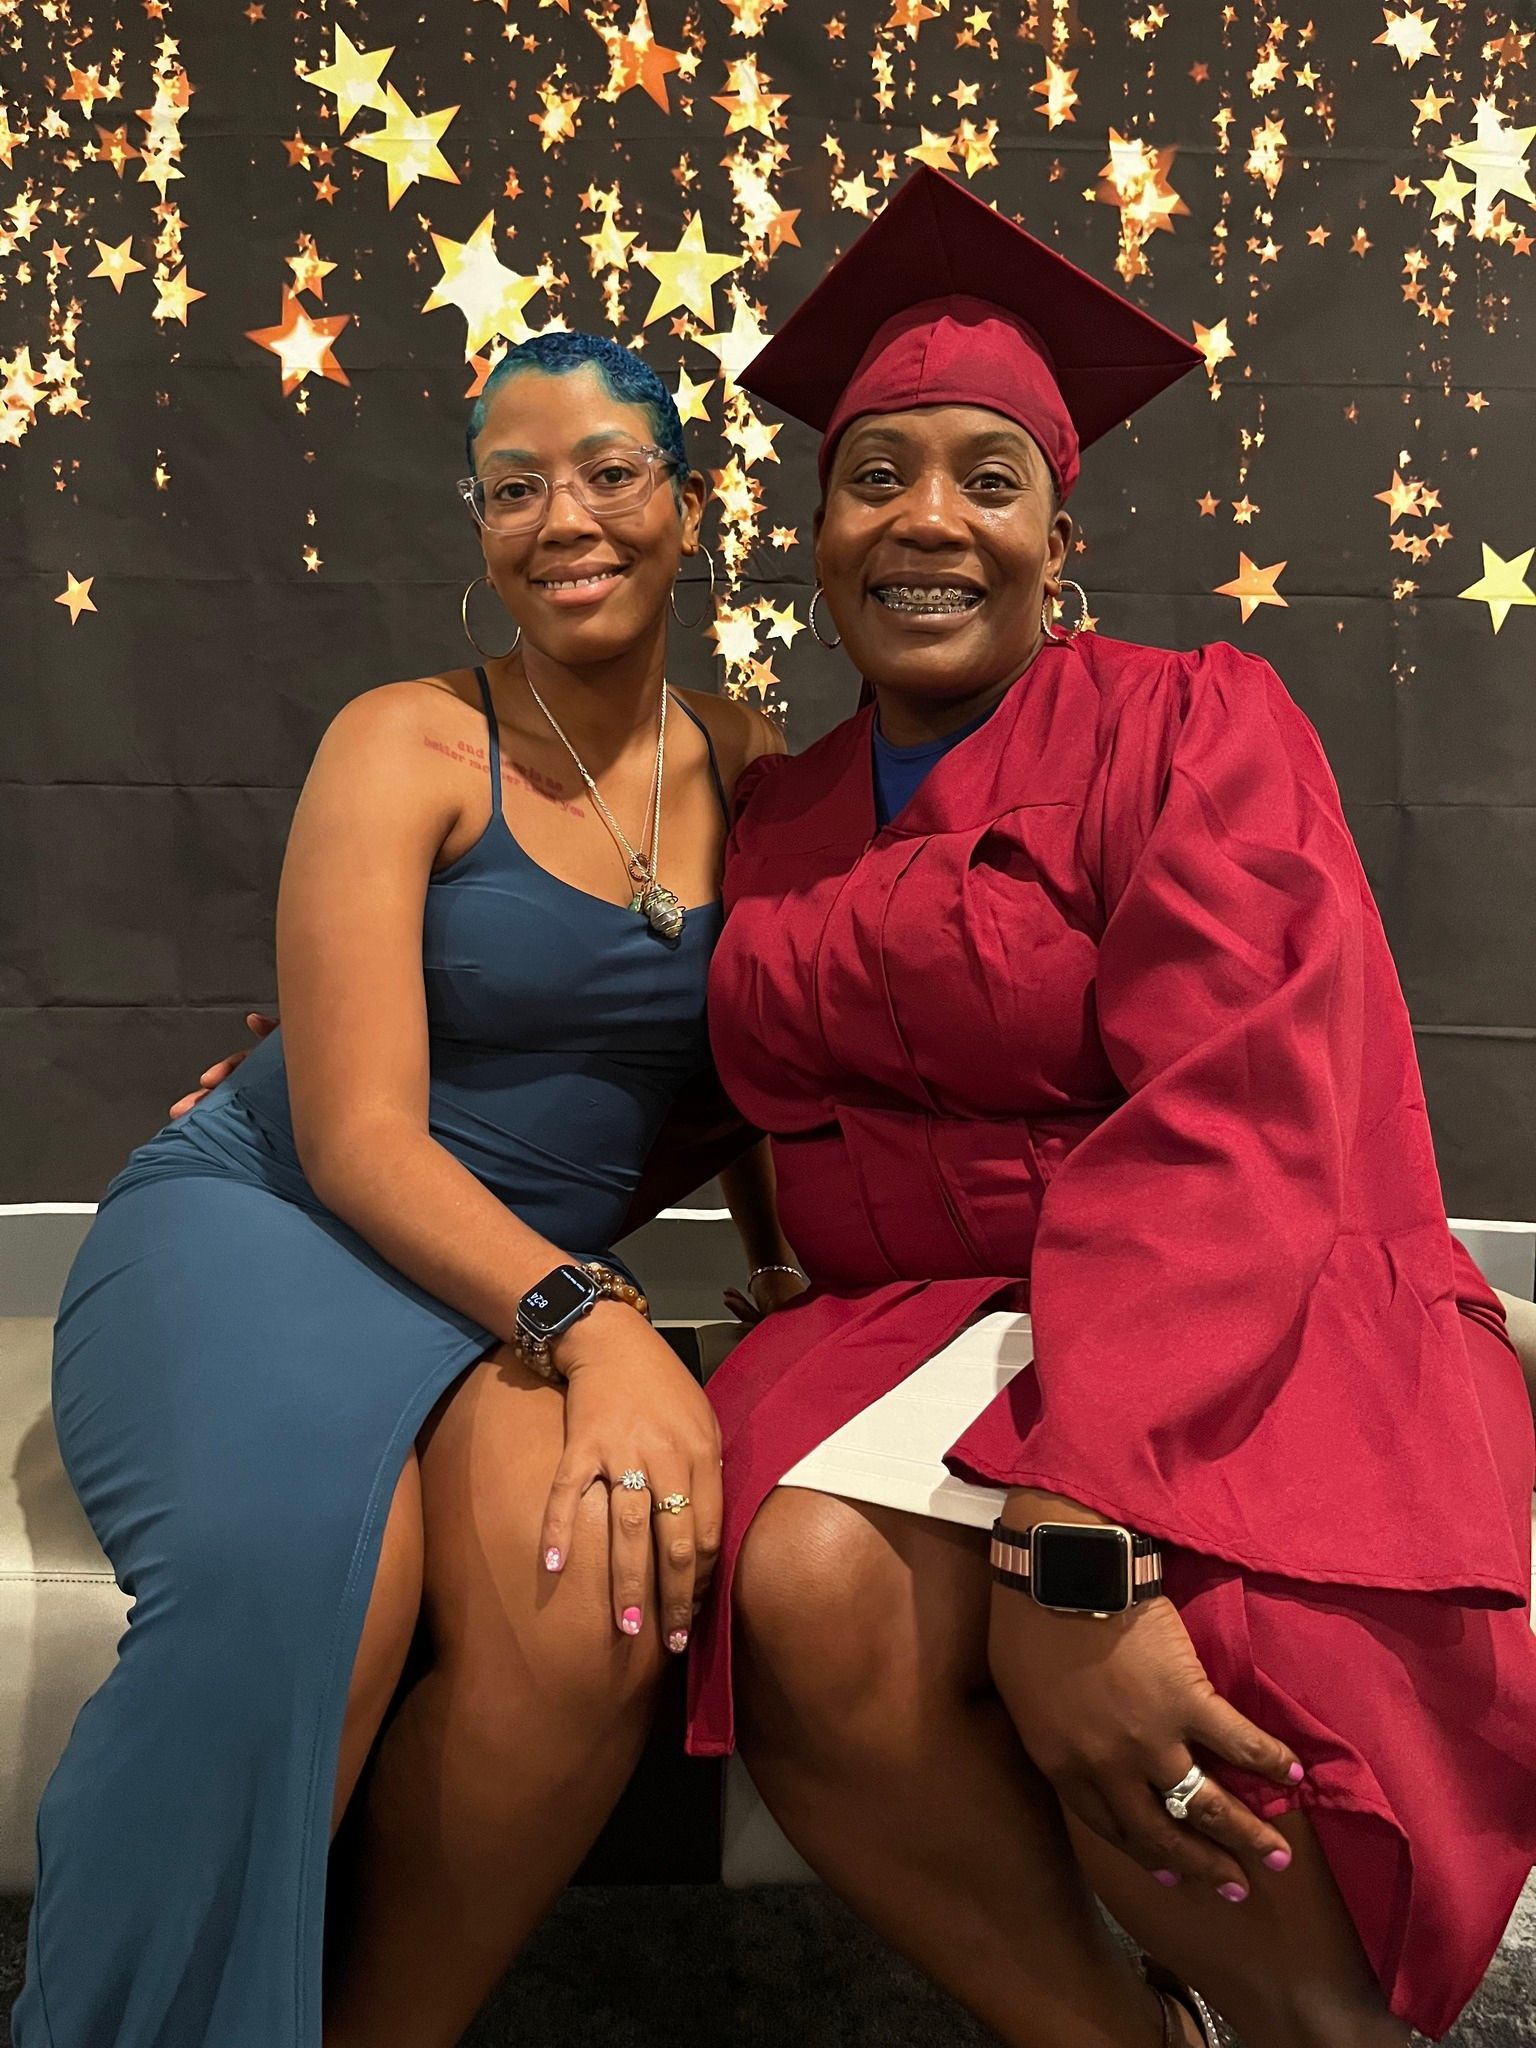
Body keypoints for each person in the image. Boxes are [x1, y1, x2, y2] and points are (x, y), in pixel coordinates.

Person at [690, 168, 1536, 2048]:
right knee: (806, 1584)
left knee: (1159, 1641)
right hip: (913, 1333)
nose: (930, 521)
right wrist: (322, 1075)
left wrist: (1083, 1525)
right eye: (876, 475)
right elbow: (687, 1071)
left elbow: (1236, 1113)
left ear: (1057, 535)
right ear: (817, 536)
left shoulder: (1191, 721)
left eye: (988, 480)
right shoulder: (782, 809)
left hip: (1227, 1297)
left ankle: (1316, 2023)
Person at [11, 329, 800, 2048]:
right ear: (479, 529)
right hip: (274, 1222)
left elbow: (762, 1057)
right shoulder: (406, 743)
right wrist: (596, 1321)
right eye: (513, 489)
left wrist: (780, 1267)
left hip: (491, 1286)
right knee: (303, 1574)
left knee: (593, 1601)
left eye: (605, 470)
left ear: (687, 499)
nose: (561, 519)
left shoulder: (752, 762)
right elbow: (361, 1142)